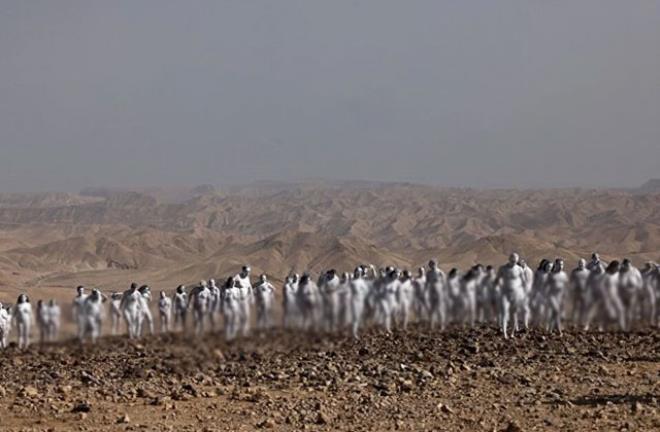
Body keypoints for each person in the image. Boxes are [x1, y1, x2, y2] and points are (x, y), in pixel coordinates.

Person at [496, 253, 528, 339]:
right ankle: (504, 333)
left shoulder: (519, 269)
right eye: (512, 259)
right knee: (504, 313)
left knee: (514, 314)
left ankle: (512, 333)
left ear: (517, 260)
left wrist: (524, 293)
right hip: (505, 293)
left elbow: (524, 282)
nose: (514, 261)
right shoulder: (502, 269)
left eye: (515, 260)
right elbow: (497, 280)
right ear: (509, 259)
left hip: (516, 294)